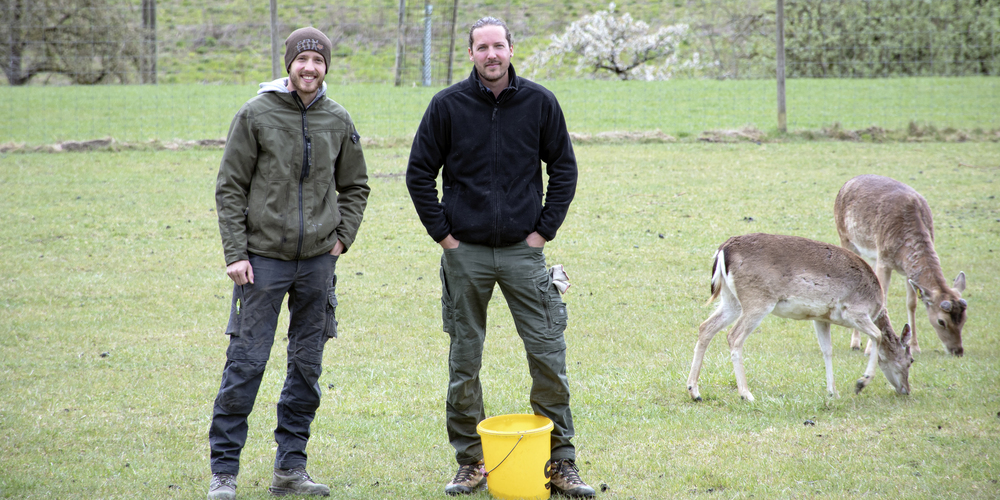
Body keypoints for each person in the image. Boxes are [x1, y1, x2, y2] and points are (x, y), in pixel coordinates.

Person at [406, 16, 595, 498]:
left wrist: (541, 233)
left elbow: (565, 170)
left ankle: (561, 462)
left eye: (499, 46)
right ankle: (470, 462)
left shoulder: (540, 103)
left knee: (547, 354)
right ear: (470, 53)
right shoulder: (447, 106)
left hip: (522, 253)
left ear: (512, 49)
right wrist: (446, 238)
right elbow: (419, 175)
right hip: (464, 253)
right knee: (464, 360)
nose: (491, 55)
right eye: (482, 47)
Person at [208, 26, 370, 500]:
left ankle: (290, 469)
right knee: (246, 363)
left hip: (318, 265)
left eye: (318, 61)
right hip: (261, 263)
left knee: (306, 367)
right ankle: (224, 473)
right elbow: (230, 187)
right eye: (302, 60)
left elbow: (356, 186)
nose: (309, 68)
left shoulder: (337, 119)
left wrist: (342, 239)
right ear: (288, 64)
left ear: (326, 68)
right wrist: (236, 253)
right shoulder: (256, 114)